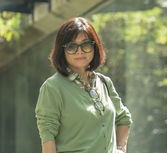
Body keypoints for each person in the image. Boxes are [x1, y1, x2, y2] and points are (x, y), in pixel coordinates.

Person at [35, 17, 132, 153]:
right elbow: (47, 137)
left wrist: (120, 149)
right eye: (71, 46)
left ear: (95, 47)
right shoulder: (52, 87)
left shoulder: (104, 83)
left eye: (85, 45)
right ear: (62, 51)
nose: (79, 51)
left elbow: (124, 118)